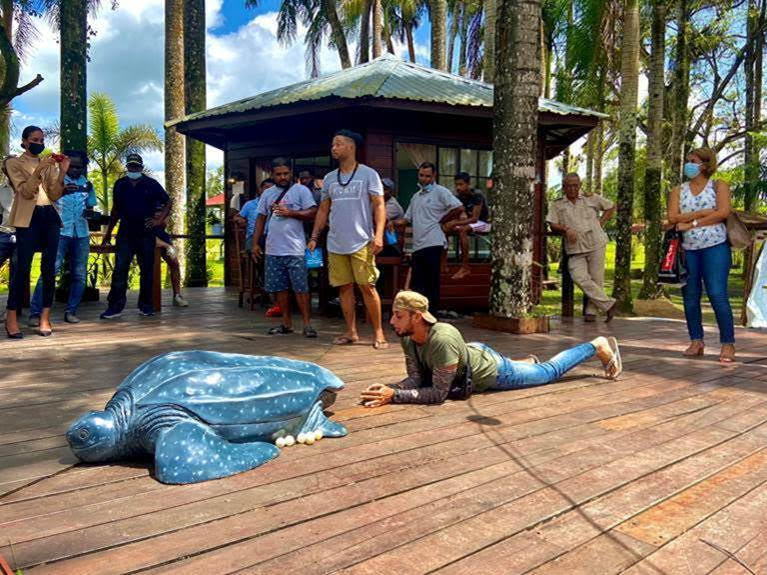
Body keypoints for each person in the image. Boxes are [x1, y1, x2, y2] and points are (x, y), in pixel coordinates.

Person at [359, 291, 622, 407]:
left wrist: (394, 396)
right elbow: (417, 378)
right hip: (470, 356)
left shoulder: (442, 339)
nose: (391, 322)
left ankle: (594, 346)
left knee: (549, 372)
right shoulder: (407, 336)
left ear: (417, 317)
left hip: (492, 371)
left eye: (398, 316)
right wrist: (390, 388)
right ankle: (525, 362)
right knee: (527, 367)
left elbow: (439, 394)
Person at [308, 129, 388, 349]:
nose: (334, 148)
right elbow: (323, 210)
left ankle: (379, 333)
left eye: (338, 144)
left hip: (362, 240)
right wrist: (315, 236)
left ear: (351, 146)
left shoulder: (368, 174)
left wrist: (379, 235)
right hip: (336, 241)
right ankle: (351, 332)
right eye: (333, 144)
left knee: (367, 286)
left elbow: (380, 205)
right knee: (343, 287)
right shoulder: (330, 178)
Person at [667, 147, 735, 363]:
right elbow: (672, 218)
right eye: (688, 160)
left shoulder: (719, 185)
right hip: (689, 250)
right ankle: (696, 340)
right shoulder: (678, 190)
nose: (688, 164)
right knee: (690, 296)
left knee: (717, 294)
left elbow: (723, 212)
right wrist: (705, 213)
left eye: (693, 160)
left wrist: (692, 222)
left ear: (705, 164)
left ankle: (728, 344)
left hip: (716, 246)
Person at [4, 126, 67, 338]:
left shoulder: (48, 164)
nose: (39, 142)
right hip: (27, 218)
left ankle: (44, 317)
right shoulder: (13, 162)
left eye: (41, 139)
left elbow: (54, 194)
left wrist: (62, 171)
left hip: (48, 215)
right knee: (22, 269)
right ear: (24, 141)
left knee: (49, 269)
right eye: (34, 139)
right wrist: (39, 170)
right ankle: (11, 317)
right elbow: (25, 191)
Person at [251, 157, 318, 337]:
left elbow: (313, 212)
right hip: (273, 249)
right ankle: (286, 323)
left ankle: (307, 324)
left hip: (295, 248)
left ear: (291, 173)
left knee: (301, 288)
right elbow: (260, 219)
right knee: (279, 288)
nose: (282, 177)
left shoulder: (301, 191)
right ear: (272, 175)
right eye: (279, 174)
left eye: (286, 173)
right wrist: (255, 243)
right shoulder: (267, 194)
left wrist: (292, 213)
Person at [27, 150, 95, 325]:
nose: (75, 169)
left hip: (81, 234)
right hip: (59, 232)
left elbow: (91, 208)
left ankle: (71, 310)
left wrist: (90, 213)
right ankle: (36, 312)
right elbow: (44, 202)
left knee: (79, 275)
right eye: (71, 166)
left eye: (79, 167)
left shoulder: (87, 184)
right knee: (49, 272)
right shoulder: (55, 180)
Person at [100, 153, 170, 319]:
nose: (133, 169)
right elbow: (115, 209)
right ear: (127, 167)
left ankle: (146, 305)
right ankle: (115, 307)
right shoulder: (120, 184)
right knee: (120, 270)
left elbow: (168, 201)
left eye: (136, 166)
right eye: (131, 166)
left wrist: (159, 220)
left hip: (146, 233)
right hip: (125, 233)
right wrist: (108, 232)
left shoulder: (151, 184)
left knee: (147, 270)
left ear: (141, 167)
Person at [391, 162, 464, 315]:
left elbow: (458, 207)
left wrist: (443, 220)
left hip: (434, 242)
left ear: (434, 176)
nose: (424, 179)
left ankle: (432, 316)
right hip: (418, 245)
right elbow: (406, 219)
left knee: (431, 282)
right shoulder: (416, 196)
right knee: (418, 284)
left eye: (427, 176)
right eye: (421, 175)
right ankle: (419, 315)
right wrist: (391, 222)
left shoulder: (440, 192)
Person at [547, 173, 617, 323]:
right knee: (578, 276)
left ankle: (591, 312)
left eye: (575, 185)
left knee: (596, 279)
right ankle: (609, 304)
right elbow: (552, 225)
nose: (572, 189)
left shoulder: (590, 198)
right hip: (575, 248)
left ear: (579, 185)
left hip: (596, 242)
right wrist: (565, 229)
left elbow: (610, 206)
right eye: (569, 186)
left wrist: (601, 222)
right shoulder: (557, 204)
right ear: (564, 187)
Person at [442, 172, 491, 280]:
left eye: (461, 184)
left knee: (462, 230)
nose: (458, 187)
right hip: (469, 223)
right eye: (456, 185)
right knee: (445, 229)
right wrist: (450, 223)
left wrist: (455, 223)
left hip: (484, 223)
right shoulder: (458, 197)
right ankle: (444, 264)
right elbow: (459, 215)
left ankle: (465, 267)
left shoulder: (477, 195)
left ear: (468, 184)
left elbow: (474, 219)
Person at [154, 220, 188, 308]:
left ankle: (177, 296)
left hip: (162, 235)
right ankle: (149, 298)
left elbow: (164, 222)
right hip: (147, 233)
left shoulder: (165, 206)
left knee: (175, 264)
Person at [0, 170, 16, 322]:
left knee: (17, 276)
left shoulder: (29, 187)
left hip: (24, 235)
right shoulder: (1, 190)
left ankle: (11, 312)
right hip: (4, 234)